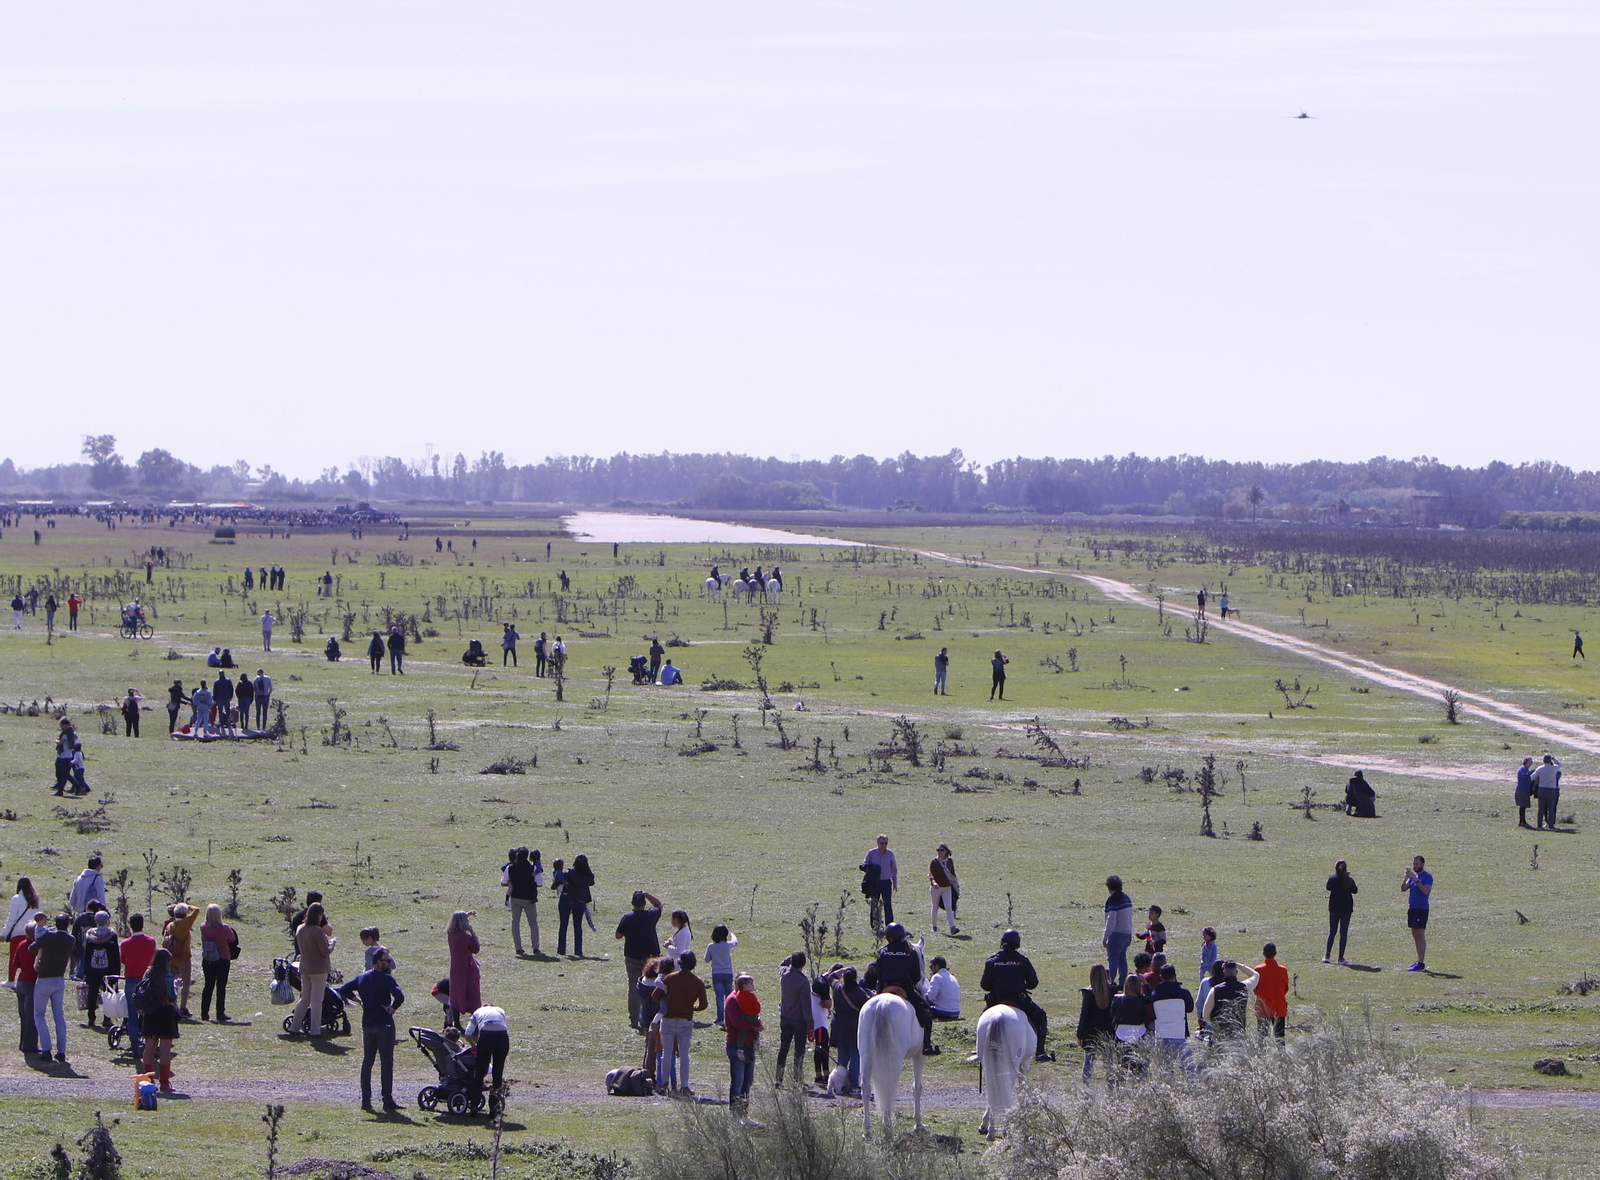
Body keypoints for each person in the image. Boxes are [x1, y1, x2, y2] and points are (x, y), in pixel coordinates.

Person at [338, 947, 406, 1112]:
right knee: (386, 1062)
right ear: (378, 962)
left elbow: (343, 989)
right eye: (387, 961)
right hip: (385, 1024)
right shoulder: (387, 979)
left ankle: (366, 1101)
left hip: (368, 1024)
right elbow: (400, 997)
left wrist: (359, 1000)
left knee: (368, 1062)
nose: (389, 963)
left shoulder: (362, 978)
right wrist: (392, 1009)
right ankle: (387, 1100)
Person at [980, 928, 1053, 1060]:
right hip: (1019, 1001)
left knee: (982, 1020)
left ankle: (978, 1049)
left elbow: (984, 986)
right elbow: (1033, 983)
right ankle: (1040, 1052)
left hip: (995, 1001)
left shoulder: (991, 962)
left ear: (1002, 942)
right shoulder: (1023, 960)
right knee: (1041, 1017)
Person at [655, 949, 708, 1095]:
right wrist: (691, 1008)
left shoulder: (670, 978)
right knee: (684, 1054)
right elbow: (703, 1005)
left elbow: (655, 995)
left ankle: (664, 1083)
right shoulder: (698, 982)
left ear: (680, 963)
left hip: (668, 1020)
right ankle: (684, 1086)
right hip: (686, 1020)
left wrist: (667, 1003)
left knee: (666, 1053)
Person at [616, 890, 663, 1032]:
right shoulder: (651, 915)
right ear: (644, 903)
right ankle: (652, 1017)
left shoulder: (627, 917)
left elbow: (618, 935)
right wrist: (647, 894)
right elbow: (659, 904)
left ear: (632, 903)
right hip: (650, 958)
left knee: (633, 987)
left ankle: (634, 1019)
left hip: (632, 956)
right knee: (653, 986)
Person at [30, 914, 74, 1063]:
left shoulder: (49, 937)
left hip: (44, 979)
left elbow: (32, 947)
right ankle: (61, 1051)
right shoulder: (71, 939)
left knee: (39, 1015)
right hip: (59, 979)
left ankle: (46, 1049)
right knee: (59, 1016)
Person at [137, 948, 180, 1092]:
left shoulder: (148, 973)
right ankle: (165, 1083)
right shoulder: (167, 976)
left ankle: (149, 1081)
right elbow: (171, 996)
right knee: (165, 1050)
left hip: (150, 1012)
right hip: (165, 1012)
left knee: (149, 1047)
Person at [292, 903, 335, 1036]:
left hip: (305, 968)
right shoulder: (317, 931)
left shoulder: (300, 928)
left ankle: (294, 1027)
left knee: (305, 999)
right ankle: (315, 1030)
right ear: (318, 915)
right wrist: (332, 943)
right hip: (318, 969)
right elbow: (325, 951)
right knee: (317, 1000)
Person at [724, 974, 762, 1123]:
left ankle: (743, 1115)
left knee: (747, 1082)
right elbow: (737, 1023)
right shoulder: (732, 1000)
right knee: (738, 1082)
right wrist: (755, 1027)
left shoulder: (747, 997)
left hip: (749, 1044)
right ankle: (734, 1116)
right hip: (736, 1045)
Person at [119, 914, 156, 1056]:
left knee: (132, 1016)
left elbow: (123, 960)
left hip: (131, 980)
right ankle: (149, 1046)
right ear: (143, 925)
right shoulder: (151, 942)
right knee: (148, 1014)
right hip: (146, 981)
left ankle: (134, 1047)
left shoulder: (125, 943)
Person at [826, 966, 866, 1095]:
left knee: (842, 1055)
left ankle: (840, 1083)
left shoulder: (837, 987)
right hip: (854, 1027)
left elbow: (829, 976)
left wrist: (841, 970)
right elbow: (867, 1005)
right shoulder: (859, 992)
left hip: (838, 1027)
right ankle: (854, 1085)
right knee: (855, 1055)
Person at [1149, 964, 1196, 1072]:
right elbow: (1189, 1008)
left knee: (1165, 1071)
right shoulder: (1183, 993)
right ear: (1175, 976)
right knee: (1189, 1071)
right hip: (1179, 1035)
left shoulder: (1155, 995)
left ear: (1161, 977)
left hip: (1162, 1036)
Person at [463, 1002, 510, 1107]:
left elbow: (467, 1034)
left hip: (486, 1037)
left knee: (479, 1072)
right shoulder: (500, 1010)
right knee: (498, 1071)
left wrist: (474, 1045)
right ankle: (494, 1104)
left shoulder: (477, 1012)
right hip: (502, 1037)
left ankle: (474, 1105)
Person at [776, 950, 813, 1083]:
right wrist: (810, 1025)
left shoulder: (785, 974)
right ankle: (797, 1079)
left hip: (785, 1016)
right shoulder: (803, 982)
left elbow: (781, 965)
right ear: (803, 964)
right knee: (799, 1052)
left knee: (784, 1048)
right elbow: (806, 1006)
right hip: (799, 1020)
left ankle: (778, 1078)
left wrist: (789, 958)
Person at [82, 912, 122, 1029]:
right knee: (108, 995)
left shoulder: (89, 935)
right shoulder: (112, 935)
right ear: (106, 921)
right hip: (108, 970)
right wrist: (117, 971)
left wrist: (85, 970)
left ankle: (91, 1018)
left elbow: (87, 954)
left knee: (92, 994)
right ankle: (107, 1018)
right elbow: (115, 955)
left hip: (93, 969)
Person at [1076, 963, 1116, 1080]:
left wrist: (1080, 1034)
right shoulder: (1112, 990)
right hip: (1108, 1032)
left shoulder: (1088, 994)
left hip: (1091, 1033)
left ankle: (1086, 1088)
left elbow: (1084, 1015)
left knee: (1088, 1061)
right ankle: (1111, 1087)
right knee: (1109, 1062)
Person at [199, 904, 237, 1022]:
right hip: (223, 958)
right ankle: (220, 1013)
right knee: (221, 986)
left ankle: (204, 1013)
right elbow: (233, 939)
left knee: (208, 985)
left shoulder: (203, 927)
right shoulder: (224, 928)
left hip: (208, 959)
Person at [162, 902, 201, 1017]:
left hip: (171, 957)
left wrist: (178, 907)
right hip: (184, 957)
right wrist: (186, 906)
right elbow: (197, 910)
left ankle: (174, 1006)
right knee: (186, 983)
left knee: (173, 982)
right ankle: (183, 1008)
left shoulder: (170, 926)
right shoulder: (185, 923)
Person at [1111, 973, 1151, 1073]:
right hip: (1139, 1033)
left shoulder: (1117, 998)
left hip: (1121, 1034)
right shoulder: (1143, 999)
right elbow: (1152, 997)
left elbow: (1112, 1014)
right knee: (1140, 1064)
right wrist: (1145, 983)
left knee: (1122, 1065)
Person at [447, 911, 482, 1026]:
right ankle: (475, 1024)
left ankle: (456, 1023)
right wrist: (472, 931)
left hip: (456, 969)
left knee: (456, 995)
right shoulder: (466, 937)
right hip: (468, 969)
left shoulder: (451, 935)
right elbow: (476, 948)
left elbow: (458, 918)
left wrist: (467, 914)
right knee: (473, 995)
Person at [504, 849, 541, 957]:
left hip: (515, 897)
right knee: (533, 922)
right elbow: (539, 883)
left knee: (515, 922)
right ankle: (535, 947)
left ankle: (518, 948)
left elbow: (504, 881)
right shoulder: (532, 868)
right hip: (529, 898)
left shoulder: (510, 867)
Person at [560, 854, 594, 957]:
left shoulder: (570, 873)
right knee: (578, 926)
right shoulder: (587, 875)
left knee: (563, 925)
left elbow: (561, 879)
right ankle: (578, 951)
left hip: (567, 899)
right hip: (580, 901)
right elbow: (591, 883)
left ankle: (561, 950)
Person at [1403, 855, 1433, 972]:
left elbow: (1426, 891)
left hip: (1421, 909)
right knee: (1415, 934)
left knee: (1420, 935)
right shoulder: (1412, 877)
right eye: (1414, 864)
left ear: (1422, 864)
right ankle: (1419, 960)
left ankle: (1421, 963)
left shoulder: (1427, 876)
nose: (1415, 866)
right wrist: (1406, 878)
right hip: (1412, 909)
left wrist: (1416, 880)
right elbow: (1403, 888)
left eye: (1417, 864)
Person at [1252, 945, 1289, 1039]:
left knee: (1262, 1038)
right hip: (1279, 1007)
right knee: (1280, 1039)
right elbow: (1286, 988)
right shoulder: (1283, 970)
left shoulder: (1258, 970)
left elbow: (1255, 989)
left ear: (1263, 954)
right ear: (1275, 954)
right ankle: (1280, 1054)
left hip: (1263, 1008)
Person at [1325, 861, 1358, 964]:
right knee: (1343, 933)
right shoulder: (1348, 880)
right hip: (1346, 909)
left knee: (1332, 931)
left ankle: (1327, 955)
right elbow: (1355, 890)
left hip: (1334, 908)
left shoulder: (1332, 879)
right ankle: (1340, 957)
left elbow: (1328, 887)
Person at [1103, 875, 1134, 985]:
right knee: (1122, 958)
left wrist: (1106, 935)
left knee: (1113, 959)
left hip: (1117, 934)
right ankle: (1123, 982)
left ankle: (1110, 981)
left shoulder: (1113, 900)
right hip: (1127, 933)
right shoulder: (1126, 898)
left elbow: (1111, 919)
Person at [860, 834, 898, 925]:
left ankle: (890, 925)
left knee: (887, 904)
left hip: (886, 882)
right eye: (882, 843)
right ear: (878, 843)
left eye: (886, 843)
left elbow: (894, 869)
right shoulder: (871, 853)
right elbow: (865, 863)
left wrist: (895, 883)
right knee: (874, 904)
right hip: (874, 882)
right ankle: (875, 925)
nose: (884, 845)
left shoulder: (890, 854)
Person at [706, 925, 738, 1028]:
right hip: (728, 973)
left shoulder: (711, 946)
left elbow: (706, 959)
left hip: (716, 973)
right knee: (729, 996)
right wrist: (733, 935)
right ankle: (730, 1017)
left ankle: (720, 1018)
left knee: (719, 996)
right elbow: (735, 942)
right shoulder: (728, 945)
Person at [928, 842, 960, 935]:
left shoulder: (950, 861)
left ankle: (952, 927)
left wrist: (955, 885)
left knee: (948, 907)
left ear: (946, 851)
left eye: (941, 850)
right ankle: (934, 926)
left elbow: (952, 874)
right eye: (938, 850)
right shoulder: (934, 862)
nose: (939, 852)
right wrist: (933, 883)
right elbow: (931, 874)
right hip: (936, 888)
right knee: (935, 907)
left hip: (947, 887)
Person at [1533, 754, 1562, 832]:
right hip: (1551, 789)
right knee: (1551, 809)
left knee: (1541, 808)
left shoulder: (1540, 769)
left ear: (1543, 761)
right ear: (1550, 761)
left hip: (1541, 789)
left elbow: (1534, 777)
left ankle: (1539, 825)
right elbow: (1559, 764)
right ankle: (1551, 825)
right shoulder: (1554, 768)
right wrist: (1554, 758)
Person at [1515, 757, 1535, 829]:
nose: (1531, 763)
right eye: (1530, 762)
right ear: (1526, 762)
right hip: (1522, 790)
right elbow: (1524, 776)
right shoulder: (1523, 769)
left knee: (1523, 807)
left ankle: (1522, 821)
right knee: (1522, 806)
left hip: (1524, 790)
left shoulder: (1525, 769)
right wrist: (1531, 773)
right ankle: (1522, 821)